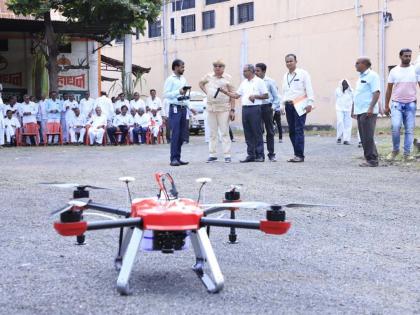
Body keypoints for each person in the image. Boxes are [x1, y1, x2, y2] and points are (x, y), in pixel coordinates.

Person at [220, 64, 268, 162]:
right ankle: (251, 155)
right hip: (245, 109)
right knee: (248, 133)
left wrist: (255, 96)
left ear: (251, 71)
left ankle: (260, 155)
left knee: (257, 132)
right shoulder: (244, 83)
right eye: (243, 71)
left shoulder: (259, 81)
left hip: (255, 109)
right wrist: (225, 92)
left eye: (245, 71)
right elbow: (237, 95)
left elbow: (266, 95)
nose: (243, 73)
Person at [384, 48, 419, 161]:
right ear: (400, 56)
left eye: (409, 56)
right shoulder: (394, 71)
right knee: (395, 127)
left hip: (411, 104)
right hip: (396, 104)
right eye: (406, 56)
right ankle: (395, 150)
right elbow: (389, 89)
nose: (408, 58)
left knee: (409, 129)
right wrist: (386, 105)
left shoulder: (415, 70)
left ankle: (407, 154)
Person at [199, 60, 235, 163]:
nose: (217, 68)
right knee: (212, 132)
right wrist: (206, 92)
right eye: (215, 66)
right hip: (211, 108)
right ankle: (212, 154)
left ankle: (227, 155)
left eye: (220, 66)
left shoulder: (228, 78)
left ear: (224, 68)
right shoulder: (208, 76)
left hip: (224, 109)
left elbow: (233, 95)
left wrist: (232, 110)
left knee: (224, 132)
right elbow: (201, 83)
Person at [282, 54, 314, 162]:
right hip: (288, 105)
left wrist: (310, 103)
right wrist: (282, 105)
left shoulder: (303, 74)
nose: (289, 63)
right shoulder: (285, 75)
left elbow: (309, 89)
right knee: (291, 131)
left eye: (291, 61)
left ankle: (300, 155)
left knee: (298, 129)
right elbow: (284, 92)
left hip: (300, 105)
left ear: (296, 61)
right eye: (287, 61)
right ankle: (296, 154)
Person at [351, 57, 380, 167]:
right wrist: (353, 109)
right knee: (363, 137)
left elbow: (376, 92)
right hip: (360, 110)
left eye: (357, 63)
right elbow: (358, 95)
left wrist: (371, 108)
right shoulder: (361, 77)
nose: (356, 65)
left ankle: (372, 160)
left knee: (368, 136)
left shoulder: (372, 76)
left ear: (364, 64)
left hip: (368, 111)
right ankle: (370, 158)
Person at [164, 59, 190, 166]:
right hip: (174, 108)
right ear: (175, 67)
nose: (183, 69)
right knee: (175, 133)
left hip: (183, 107)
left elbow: (185, 93)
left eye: (183, 67)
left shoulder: (183, 79)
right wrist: (177, 92)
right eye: (181, 67)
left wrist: (189, 106)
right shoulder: (170, 79)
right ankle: (173, 158)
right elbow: (166, 94)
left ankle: (178, 157)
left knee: (181, 134)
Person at [255, 63, 280, 161]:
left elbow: (276, 97)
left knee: (270, 131)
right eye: (255, 71)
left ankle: (271, 154)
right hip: (256, 108)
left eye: (258, 71)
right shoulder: (253, 82)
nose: (256, 73)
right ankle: (259, 154)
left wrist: (273, 108)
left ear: (264, 71)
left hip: (267, 107)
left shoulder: (270, 82)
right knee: (258, 131)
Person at [335, 79, 354, 145]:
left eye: (346, 84)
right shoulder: (337, 90)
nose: (345, 86)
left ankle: (346, 139)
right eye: (343, 84)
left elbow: (353, 100)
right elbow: (336, 98)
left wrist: (353, 110)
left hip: (348, 109)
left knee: (348, 124)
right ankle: (339, 137)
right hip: (339, 109)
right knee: (340, 122)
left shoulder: (351, 91)